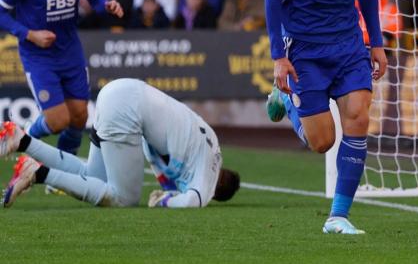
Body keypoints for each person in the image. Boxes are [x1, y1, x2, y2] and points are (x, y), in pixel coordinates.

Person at [264, 0, 387, 235]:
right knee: (322, 142)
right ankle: (286, 101)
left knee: (359, 119)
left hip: (349, 44)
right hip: (306, 49)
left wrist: (376, 42)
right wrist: (279, 56)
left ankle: (338, 216)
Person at [0, 78, 240, 208]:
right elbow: (193, 200)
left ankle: (22, 141)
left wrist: (168, 188)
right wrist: (165, 201)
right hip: (127, 110)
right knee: (124, 199)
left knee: (93, 176)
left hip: (116, 91)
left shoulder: (208, 142)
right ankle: (38, 174)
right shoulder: (206, 177)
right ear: (215, 191)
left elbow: (153, 143)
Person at [0, 0, 123, 156]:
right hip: (38, 56)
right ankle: (21, 137)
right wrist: (30, 34)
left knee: (79, 117)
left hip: (70, 50)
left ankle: (63, 175)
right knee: (58, 121)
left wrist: (107, 5)